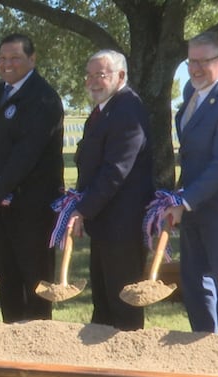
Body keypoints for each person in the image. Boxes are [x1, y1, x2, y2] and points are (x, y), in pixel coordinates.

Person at [165, 31, 218, 339]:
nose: (196, 69)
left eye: (204, 62)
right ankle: (202, 350)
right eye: (191, 62)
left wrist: (185, 201)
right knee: (195, 284)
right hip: (193, 206)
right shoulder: (192, 90)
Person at [0, 33, 64, 324]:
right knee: (9, 276)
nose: (7, 64)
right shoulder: (3, 90)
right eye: (2, 58)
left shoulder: (43, 97)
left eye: (15, 57)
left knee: (35, 280)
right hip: (7, 202)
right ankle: (10, 343)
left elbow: (26, 154)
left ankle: (38, 349)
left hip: (35, 205)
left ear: (32, 58)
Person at [68, 50, 153, 331]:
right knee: (104, 305)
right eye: (89, 75)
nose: (92, 81)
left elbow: (116, 171)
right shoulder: (105, 109)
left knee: (123, 307)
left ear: (121, 76)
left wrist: (83, 209)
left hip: (122, 225)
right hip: (104, 223)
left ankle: (128, 369)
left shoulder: (128, 109)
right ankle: (102, 368)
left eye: (100, 75)